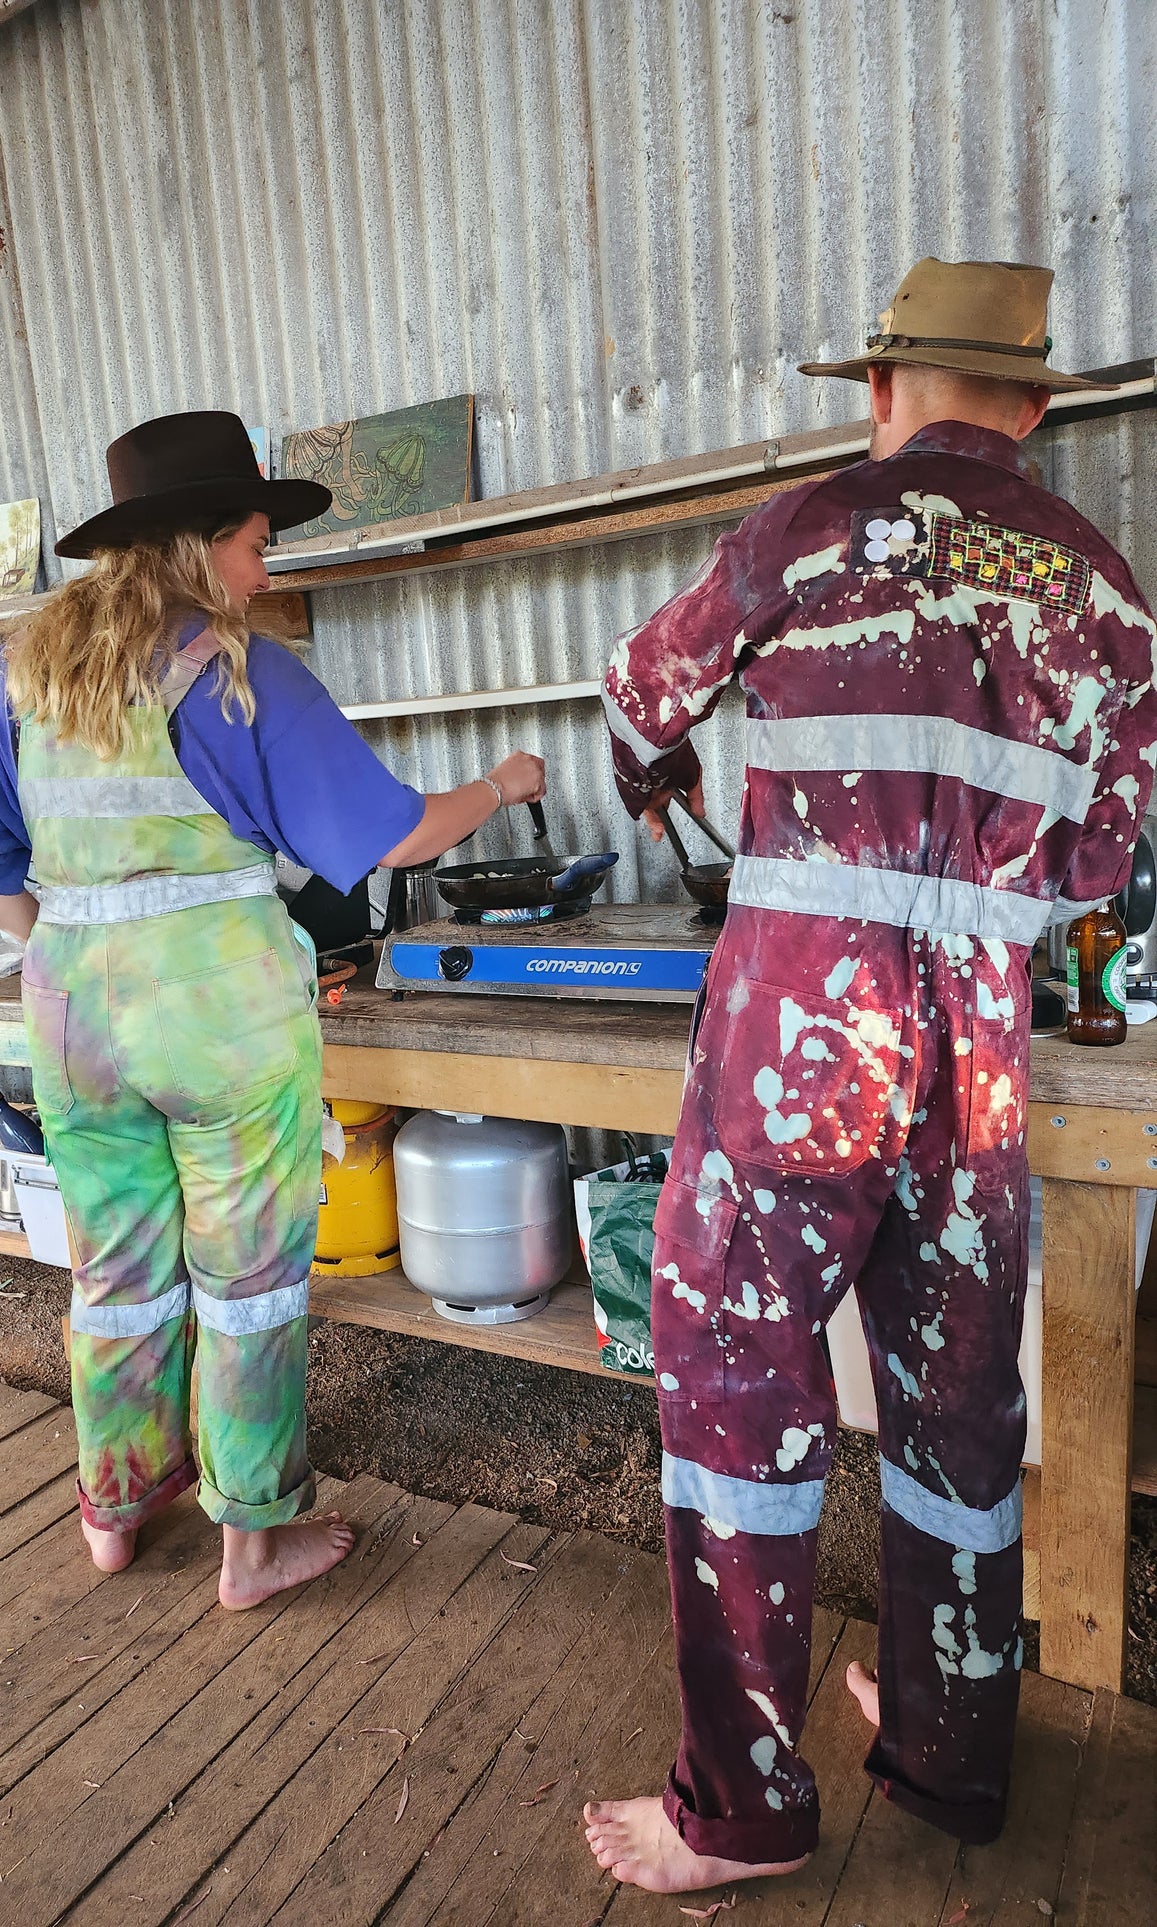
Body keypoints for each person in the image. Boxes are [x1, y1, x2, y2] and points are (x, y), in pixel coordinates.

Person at [584, 259, 1157, 1893]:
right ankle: (948, 1749)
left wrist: (663, 772)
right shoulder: (1107, 588)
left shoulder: (810, 529)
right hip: (979, 1025)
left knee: (738, 1378)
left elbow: (640, 690)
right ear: (1035, 411)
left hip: (799, 1026)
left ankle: (746, 1806)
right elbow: (1107, 848)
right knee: (960, 1390)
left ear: (883, 394)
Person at [0, 410, 544, 1604]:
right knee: (248, 1283)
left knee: (115, 1273)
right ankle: (252, 1539)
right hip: (221, 1025)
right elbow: (393, 834)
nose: (261, 569)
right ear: (196, 547)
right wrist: (501, 785)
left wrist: (75, 950)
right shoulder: (240, 672)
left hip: (76, 1022)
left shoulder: (19, 672)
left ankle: (115, 1504)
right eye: (253, 543)